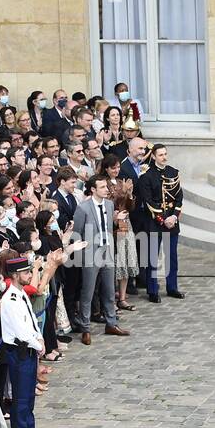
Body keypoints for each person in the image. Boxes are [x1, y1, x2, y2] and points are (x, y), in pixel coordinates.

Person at [72, 174, 129, 344]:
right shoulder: (83, 208)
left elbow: (108, 227)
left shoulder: (110, 205)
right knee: (88, 292)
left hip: (107, 251)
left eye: (106, 186)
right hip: (91, 254)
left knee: (109, 290)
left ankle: (111, 323)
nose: (107, 189)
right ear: (93, 190)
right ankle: (85, 328)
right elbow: (77, 233)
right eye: (102, 187)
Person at [0, 255, 46, 428]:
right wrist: (37, 345)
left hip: (28, 350)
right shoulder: (10, 299)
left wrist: (39, 337)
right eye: (27, 272)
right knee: (21, 399)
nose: (30, 275)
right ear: (16, 275)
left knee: (29, 398)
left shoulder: (20, 295)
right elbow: (20, 331)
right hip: (20, 351)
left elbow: (31, 322)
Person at [136, 144, 184, 301]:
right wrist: (163, 220)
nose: (164, 157)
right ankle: (153, 290)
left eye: (165, 154)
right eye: (161, 155)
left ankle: (172, 287)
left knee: (172, 257)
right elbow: (148, 201)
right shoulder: (146, 176)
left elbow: (179, 197)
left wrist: (174, 217)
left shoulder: (173, 172)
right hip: (155, 221)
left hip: (172, 220)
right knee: (152, 258)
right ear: (154, 157)